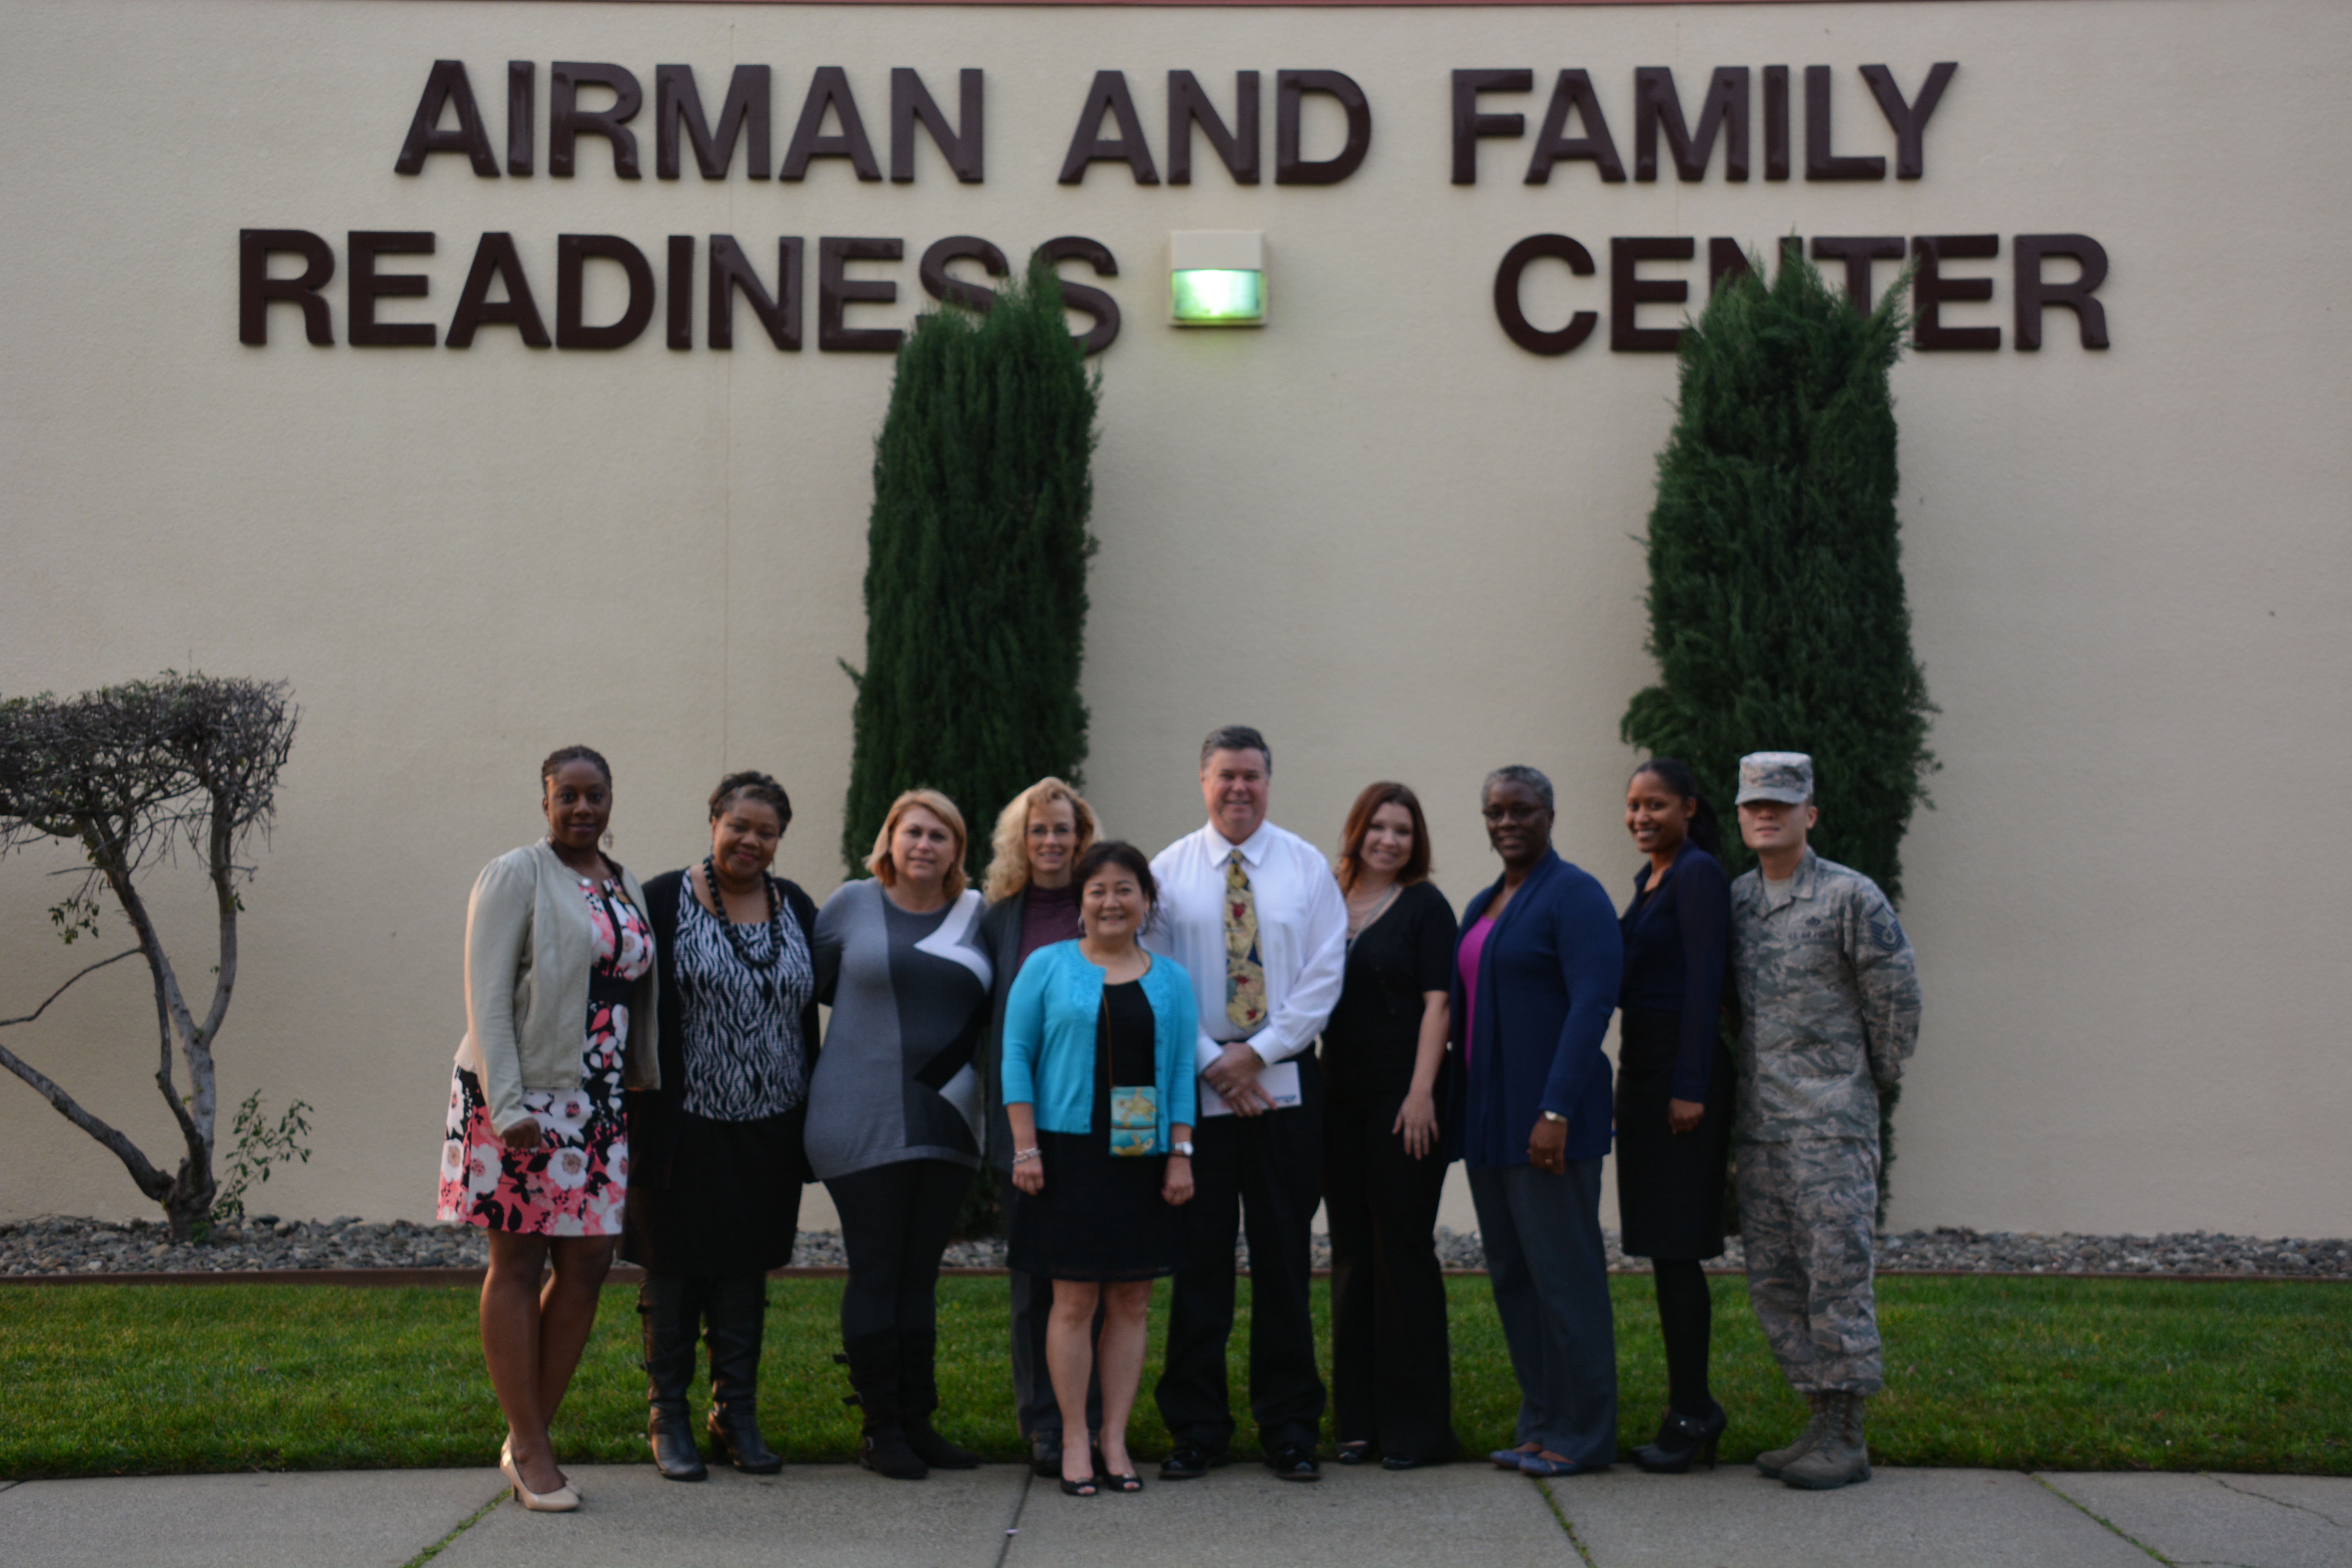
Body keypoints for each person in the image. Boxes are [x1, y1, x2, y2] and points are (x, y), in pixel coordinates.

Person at [437, 745, 659, 1514]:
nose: (582, 809)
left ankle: (526, 1429)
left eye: (594, 795)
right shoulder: (514, 874)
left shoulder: (624, 882)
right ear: (545, 801)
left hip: (597, 1097)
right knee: (520, 1257)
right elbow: (487, 996)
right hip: (524, 1096)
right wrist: (507, 1107)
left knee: (591, 1259)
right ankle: (531, 1446)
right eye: (567, 795)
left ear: (610, 798)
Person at [1143, 726, 1344, 1481]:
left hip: (1287, 1084)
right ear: (1203, 782)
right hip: (1199, 1093)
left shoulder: (1305, 867)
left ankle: (1290, 1427)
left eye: (1253, 776)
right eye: (1226, 776)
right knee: (1200, 1266)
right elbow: (1156, 973)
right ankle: (1197, 1428)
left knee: (1285, 1260)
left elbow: (1328, 971)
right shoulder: (1169, 871)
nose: (1240, 789)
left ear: (1269, 781)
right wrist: (1213, 1061)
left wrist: (1257, 1054)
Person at [1728, 751, 1921, 1492]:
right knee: (1777, 1282)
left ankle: (1847, 1434)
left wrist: (1869, 1082)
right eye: (1753, 805)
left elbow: (1897, 997)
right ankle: (1816, 1418)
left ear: (1810, 812)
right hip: (1764, 1127)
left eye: (1781, 802)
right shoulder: (1740, 901)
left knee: (1836, 1278)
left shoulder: (1850, 897)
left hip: (1831, 1127)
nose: (1765, 814)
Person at [622, 771, 820, 1482]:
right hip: (681, 1121)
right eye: (740, 826)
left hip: (771, 1123)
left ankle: (734, 1413)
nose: (751, 841)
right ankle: (666, 1415)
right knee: (673, 1265)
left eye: (766, 832)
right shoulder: (661, 900)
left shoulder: (794, 905)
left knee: (744, 1268)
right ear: (714, 823)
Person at [1001, 841, 1200, 1497]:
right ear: (1080, 903)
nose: (1111, 901)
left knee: (1133, 1300)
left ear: (1147, 900)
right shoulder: (1047, 965)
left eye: (1125, 889)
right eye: (1098, 890)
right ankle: (1075, 1437)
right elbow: (1017, 1056)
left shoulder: (1171, 978)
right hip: (1065, 1152)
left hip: (1143, 1156)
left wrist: (1180, 1153)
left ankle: (1116, 1436)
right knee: (1075, 1299)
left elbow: (1178, 1074)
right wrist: (1025, 1148)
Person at [806, 788, 994, 1481]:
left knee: (920, 1277)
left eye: (940, 836)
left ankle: (918, 1420)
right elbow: (813, 986)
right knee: (878, 1268)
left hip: (948, 1120)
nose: (924, 845)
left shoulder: (982, 917)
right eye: (912, 832)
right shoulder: (851, 905)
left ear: (958, 852)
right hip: (857, 1116)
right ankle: (880, 1428)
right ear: (888, 840)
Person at [1452, 764, 1623, 1480]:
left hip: (1551, 1127)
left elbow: (1592, 1006)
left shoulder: (1575, 896)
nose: (1507, 823)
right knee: (1515, 1279)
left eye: (1522, 810)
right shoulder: (1485, 902)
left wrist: (1554, 1109)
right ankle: (1541, 1421)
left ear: (1550, 814)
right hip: (1492, 1130)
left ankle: (1583, 1434)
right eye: (1495, 812)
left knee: (1565, 1279)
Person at [1320, 782, 1460, 1469]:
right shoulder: (1325, 901)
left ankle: (1416, 1430)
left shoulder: (1427, 907)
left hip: (1405, 1101)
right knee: (1349, 1253)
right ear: (1358, 829)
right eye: (1378, 826)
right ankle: (1357, 1424)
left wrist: (1422, 1093)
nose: (1389, 840)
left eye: (1403, 830)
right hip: (1336, 1098)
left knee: (1400, 1251)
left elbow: (1440, 1005)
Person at [976, 777, 1106, 1479]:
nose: (1052, 842)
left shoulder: (1109, 907)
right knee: (1034, 1285)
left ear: (1082, 838)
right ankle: (1046, 1426)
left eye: (1063, 830)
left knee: (1099, 1282)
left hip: (1101, 1125)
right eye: (1039, 831)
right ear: (1020, 843)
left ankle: (1093, 1420)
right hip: (1022, 1124)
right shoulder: (1001, 918)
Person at [1614, 759, 1736, 1473]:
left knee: (1678, 1248)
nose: (1640, 818)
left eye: (1655, 805)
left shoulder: (1697, 875)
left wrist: (1689, 1087)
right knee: (1663, 1248)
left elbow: (1703, 984)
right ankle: (1687, 1408)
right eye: (1632, 806)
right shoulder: (1651, 879)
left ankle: (1694, 1412)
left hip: (1680, 1081)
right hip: (1644, 1071)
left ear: (1689, 808)